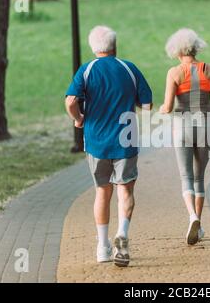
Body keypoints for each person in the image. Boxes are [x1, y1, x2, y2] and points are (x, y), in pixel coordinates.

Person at [65, 26, 153, 267]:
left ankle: (102, 247)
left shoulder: (87, 70)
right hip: (126, 139)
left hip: (96, 142)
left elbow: (71, 100)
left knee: (102, 191)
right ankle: (122, 233)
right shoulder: (129, 68)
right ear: (115, 46)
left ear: (94, 47)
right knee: (126, 190)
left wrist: (78, 118)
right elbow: (147, 102)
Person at [160, 28, 210, 245]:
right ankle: (198, 224)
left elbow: (169, 106)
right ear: (196, 47)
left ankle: (192, 217)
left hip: (183, 126)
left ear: (177, 50)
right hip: (207, 125)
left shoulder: (174, 73)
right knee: (199, 177)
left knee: (185, 177)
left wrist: (161, 109)